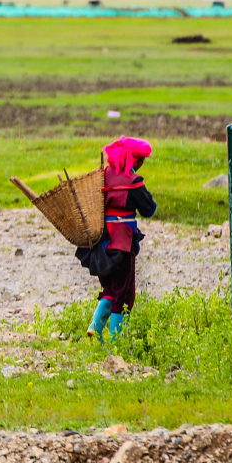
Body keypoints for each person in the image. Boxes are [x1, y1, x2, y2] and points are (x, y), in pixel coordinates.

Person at [87, 136, 155, 339]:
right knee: (124, 294)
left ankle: (95, 328)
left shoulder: (101, 176)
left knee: (110, 287)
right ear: (135, 160)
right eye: (141, 160)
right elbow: (148, 209)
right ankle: (116, 341)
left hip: (100, 242)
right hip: (121, 243)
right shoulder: (133, 181)